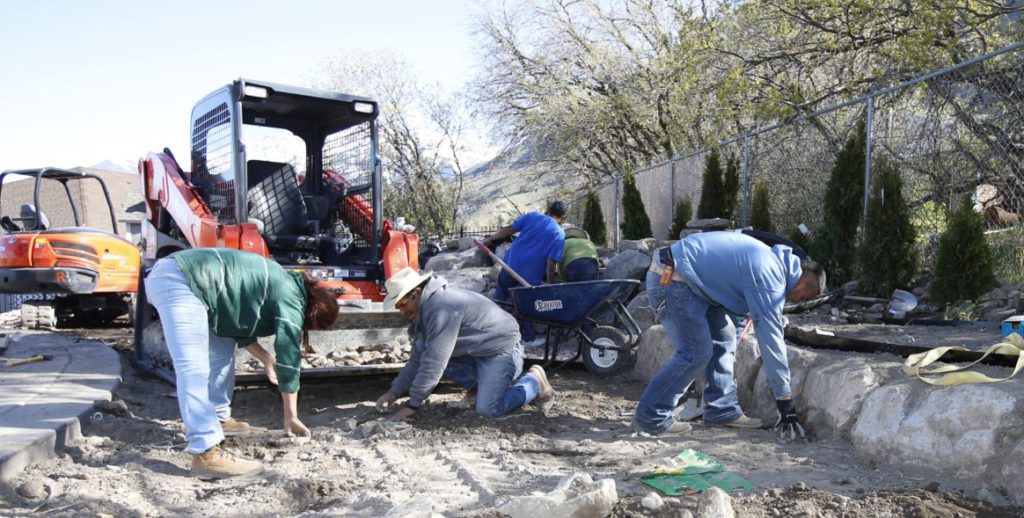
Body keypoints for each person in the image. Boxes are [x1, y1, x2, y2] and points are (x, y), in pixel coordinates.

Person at [144, 248, 339, 478]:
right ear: (312, 314)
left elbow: (234, 322)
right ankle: (205, 454)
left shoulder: (283, 283)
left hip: (191, 281)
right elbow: (288, 356)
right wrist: (291, 416)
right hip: (182, 281)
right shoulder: (292, 297)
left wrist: (264, 357)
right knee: (194, 368)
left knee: (221, 350)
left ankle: (217, 418)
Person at [633, 231, 825, 439]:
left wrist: (733, 340)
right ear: (801, 283)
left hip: (693, 283)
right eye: (803, 298)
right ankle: (651, 416)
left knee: (724, 339)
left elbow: (740, 315)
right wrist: (785, 401)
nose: (797, 303)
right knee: (695, 353)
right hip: (673, 279)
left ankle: (721, 410)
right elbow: (771, 340)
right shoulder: (771, 277)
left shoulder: (769, 263)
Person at [375, 267, 554, 421]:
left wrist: (412, 405)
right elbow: (418, 359)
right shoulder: (426, 310)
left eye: (404, 305)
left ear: (418, 293)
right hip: (477, 350)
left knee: (488, 410)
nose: (402, 312)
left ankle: (534, 382)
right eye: (398, 308)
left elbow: (435, 361)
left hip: (502, 350)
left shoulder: (441, 307)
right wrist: (394, 392)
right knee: (423, 348)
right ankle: (479, 389)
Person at [482, 201, 567, 346]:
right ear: (563, 217)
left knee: (500, 298)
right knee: (527, 307)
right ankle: (528, 339)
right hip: (528, 276)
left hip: (510, 265)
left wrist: (490, 239)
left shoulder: (533, 216)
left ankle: (488, 333)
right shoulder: (559, 234)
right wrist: (550, 284)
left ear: (548, 210)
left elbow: (509, 229)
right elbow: (551, 262)